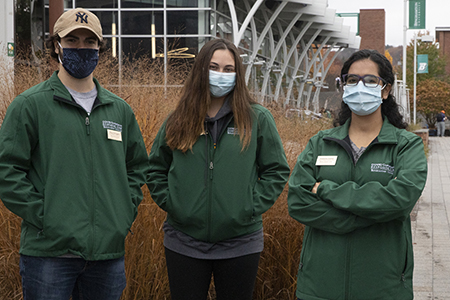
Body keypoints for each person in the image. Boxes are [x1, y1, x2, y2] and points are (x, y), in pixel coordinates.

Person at [0, 8, 148, 300]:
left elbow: (137, 168)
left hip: (107, 255)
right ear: (56, 45)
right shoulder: (30, 105)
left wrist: (120, 214)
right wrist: (47, 217)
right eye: (72, 41)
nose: (81, 48)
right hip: (49, 254)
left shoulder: (119, 110)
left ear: (100, 47)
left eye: (89, 42)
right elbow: (7, 170)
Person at [147, 38, 290, 300]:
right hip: (184, 240)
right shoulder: (178, 118)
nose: (220, 75)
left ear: (238, 74)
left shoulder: (256, 118)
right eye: (213, 67)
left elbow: (276, 171)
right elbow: (155, 167)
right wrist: (175, 203)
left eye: (228, 69)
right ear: (201, 69)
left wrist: (248, 206)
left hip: (240, 242)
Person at [287, 49, 428, 300]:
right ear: (343, 87)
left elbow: (399, 200)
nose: (360, 86)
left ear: (385, 90)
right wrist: (368, 215)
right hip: (320, 286)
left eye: (370, 80)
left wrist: (326, 189)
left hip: (383, 287)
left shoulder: (406, 145)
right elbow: (298, 202)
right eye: (352, 80)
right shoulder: (320, 143)